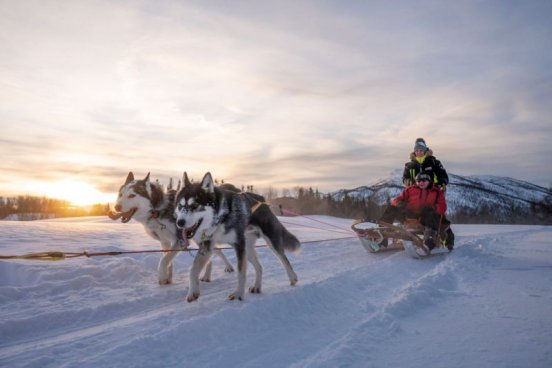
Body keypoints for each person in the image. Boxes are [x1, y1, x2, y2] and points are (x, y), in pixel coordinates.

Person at [380, 172, 454, 251]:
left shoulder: (436, 192)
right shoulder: (409, 190)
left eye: (424, 180)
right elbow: (396, 200)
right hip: (408, 215)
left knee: (430, 212)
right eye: (419, 181)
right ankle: (382, 236)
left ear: (429, 181)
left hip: (426, 218)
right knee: (391, 208)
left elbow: (442, 207)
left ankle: (429, 242)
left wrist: (433, 208)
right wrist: (399, 203)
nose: (421, 182)